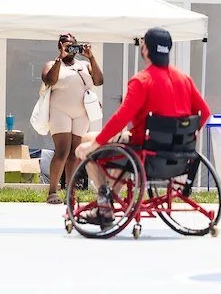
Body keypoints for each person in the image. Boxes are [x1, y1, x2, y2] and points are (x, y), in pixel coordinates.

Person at [76, 27, 211, 224]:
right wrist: (187, 138)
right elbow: (205, 112)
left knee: (89, 142)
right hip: (179, 155)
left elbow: (122, 117)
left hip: (143, 152)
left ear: (145, 49)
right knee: (117, 146)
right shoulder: (184, 79)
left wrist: (94, 144)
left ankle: (104, 202)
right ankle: (110, 197)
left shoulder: (142, 80)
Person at [40, 33, 103, 204]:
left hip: (81, 113)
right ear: (60, 47)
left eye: (73, 46)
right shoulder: (53, 64)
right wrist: (60, 58)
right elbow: (49, 80)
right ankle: (52, 191)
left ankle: (70, 191)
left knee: (74, 154)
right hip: (60, 111)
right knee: (62, 151)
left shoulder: (85, 65)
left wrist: (92, 58)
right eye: (67, 46)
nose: (71, 49)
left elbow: (99, 81)